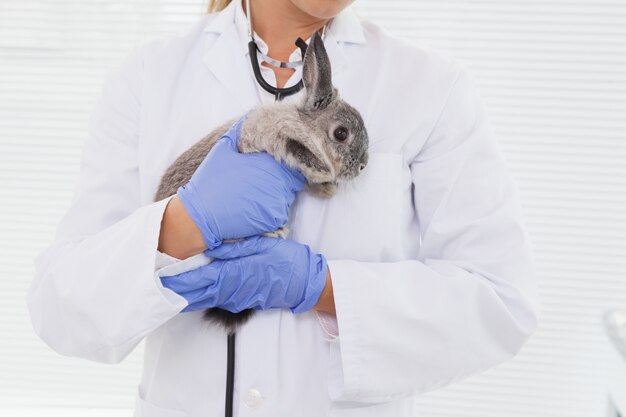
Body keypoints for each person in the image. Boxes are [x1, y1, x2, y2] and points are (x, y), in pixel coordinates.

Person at [26, 0, 540, 416]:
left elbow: (499, 303)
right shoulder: (147, 77)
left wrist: (319, 287)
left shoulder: (431, 87)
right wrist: (183, 225)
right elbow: (60, 307)